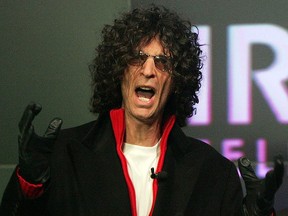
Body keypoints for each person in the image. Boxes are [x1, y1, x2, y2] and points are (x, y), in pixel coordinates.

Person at [0, 5, 284, 216]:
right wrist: (28, 187)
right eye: (137, 58)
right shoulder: (62, 156)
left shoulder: (214, 172)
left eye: (163, 61)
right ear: (119, 70)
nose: (148, 70)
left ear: (177, 80)